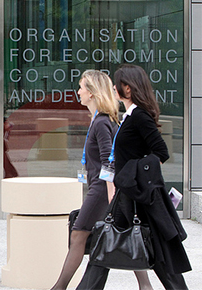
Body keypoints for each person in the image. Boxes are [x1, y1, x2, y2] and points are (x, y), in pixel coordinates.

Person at [76, 64, 191, 290]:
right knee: (103, 245)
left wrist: (131, 172)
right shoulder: (129, 116)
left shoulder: (139, 116)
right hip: (127, 195)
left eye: (118, 84)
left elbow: (161, 152)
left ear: (127, 89)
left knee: (157, 253)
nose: (114, 88)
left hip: (138, 196)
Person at [50, 70, 152, 290]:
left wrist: (111, 195)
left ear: (93, 93)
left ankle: (59, 287)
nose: (78, 92)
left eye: (82, 87)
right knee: (114, 236)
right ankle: (145, 286)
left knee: (78, 234)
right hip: (101, 188)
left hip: (101, 190)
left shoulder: (102, 122)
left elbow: (109, 161)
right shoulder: (100, 120)